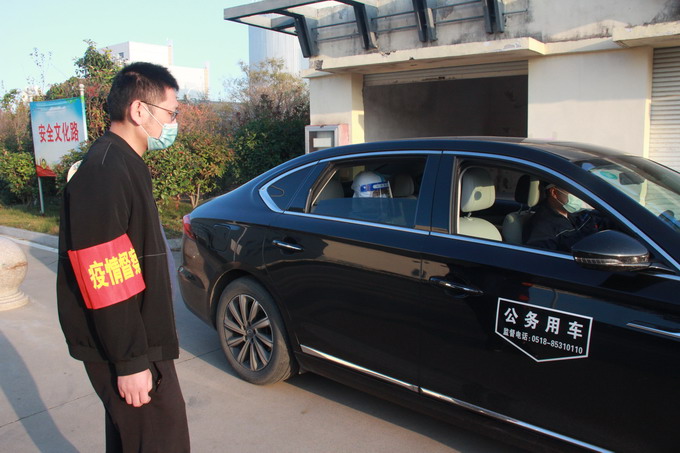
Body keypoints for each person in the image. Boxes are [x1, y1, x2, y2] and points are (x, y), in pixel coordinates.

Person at [56, 62, 190, 453]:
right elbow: (105, 276)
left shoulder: (125, 163)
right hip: (129, 347)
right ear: (139, 110)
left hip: (140, 339)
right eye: (171, 113)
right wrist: (131, 362)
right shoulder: (105, 171)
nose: (174, 123)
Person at [523, 183, 610, 252]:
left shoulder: (577, 213)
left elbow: (602, 223)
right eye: (574, 192)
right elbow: (546, 261)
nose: (579, 196)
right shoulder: (543, 228)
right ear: (554, 192)